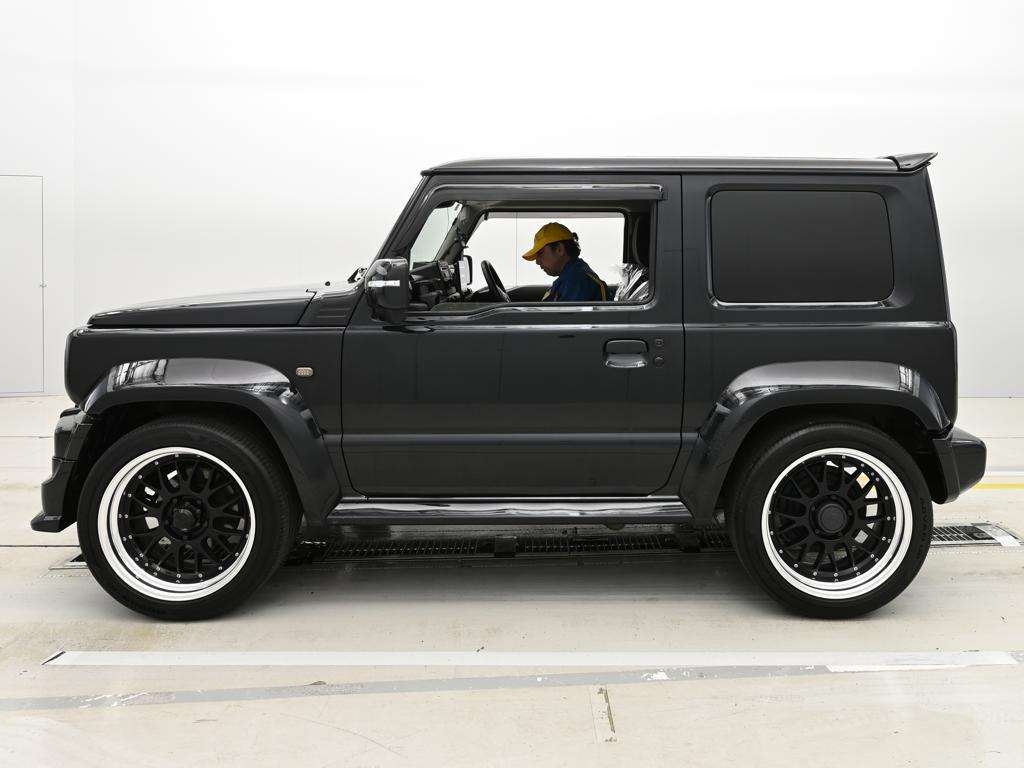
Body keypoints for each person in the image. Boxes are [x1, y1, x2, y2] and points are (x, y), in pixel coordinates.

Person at [521, 222, 608, 302]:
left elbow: (563, 314)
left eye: (540, 253)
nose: (537, 261)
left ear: (559, 249)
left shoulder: (577, 282)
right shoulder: (570, 276)